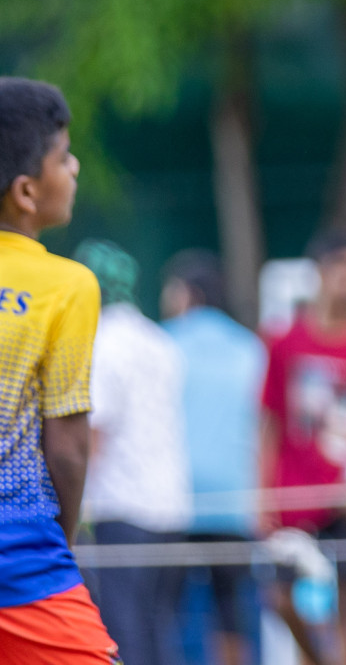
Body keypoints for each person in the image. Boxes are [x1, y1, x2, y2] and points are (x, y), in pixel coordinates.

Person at [0, 77, 120, 664]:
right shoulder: (66, 285)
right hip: (19, 549)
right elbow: (68, 445)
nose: (73, 168)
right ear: (26, 191)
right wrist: (60, 545)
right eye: (62, 156)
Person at [262, 232, 346, 665]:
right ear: (320, 272)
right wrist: (263, 492)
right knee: (281, 598)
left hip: (345, 497)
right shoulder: (284, 342)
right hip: (292, 492)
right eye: (344, 265)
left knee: (345, 599)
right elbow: (268, 422)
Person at [78, 238, 193, 665]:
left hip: (121, 507)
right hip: (172, 506)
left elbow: (94, 432)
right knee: (161, 629)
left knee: (124, 631)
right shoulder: (160, 341)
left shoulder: (102, 342)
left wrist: (75, 505)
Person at [162, 250, 267, 665]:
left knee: (167, 611)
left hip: (175, 500)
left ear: (188, 294)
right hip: (236, 501)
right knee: (232, 610)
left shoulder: (163, 342)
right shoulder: (249, 347)